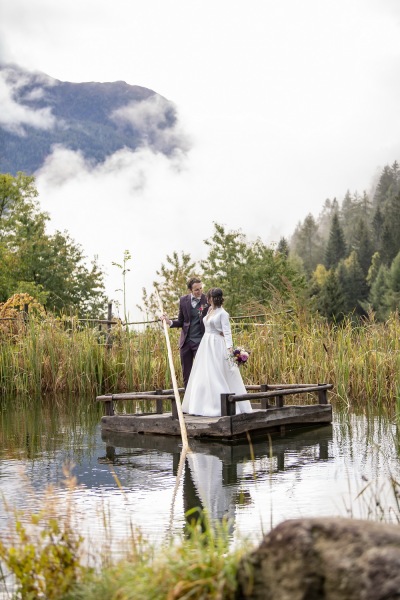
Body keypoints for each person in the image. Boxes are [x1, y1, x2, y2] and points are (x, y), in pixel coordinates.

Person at [181, 288, 253, 417]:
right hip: (206, 344)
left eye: (209, 297)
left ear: (212, 298)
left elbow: (227, 332)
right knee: (203, 374)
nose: (207, 299)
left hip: (216, 344)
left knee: (217, 373)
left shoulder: (223, 313)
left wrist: (230, 350)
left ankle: (218, 406)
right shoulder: (210, 310)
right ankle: (200, 406)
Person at [162, 277, 209, 388]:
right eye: (197, 290)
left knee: (201, 371)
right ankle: (187, 400)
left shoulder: (207, 300)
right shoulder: (183, 300)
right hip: (186, 342)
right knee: (186, 372)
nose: (200, 291)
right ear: (190, 290)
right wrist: (169, 322)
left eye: (201, 288)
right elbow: (181, 321)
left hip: (200, 342)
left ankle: (201, 396)